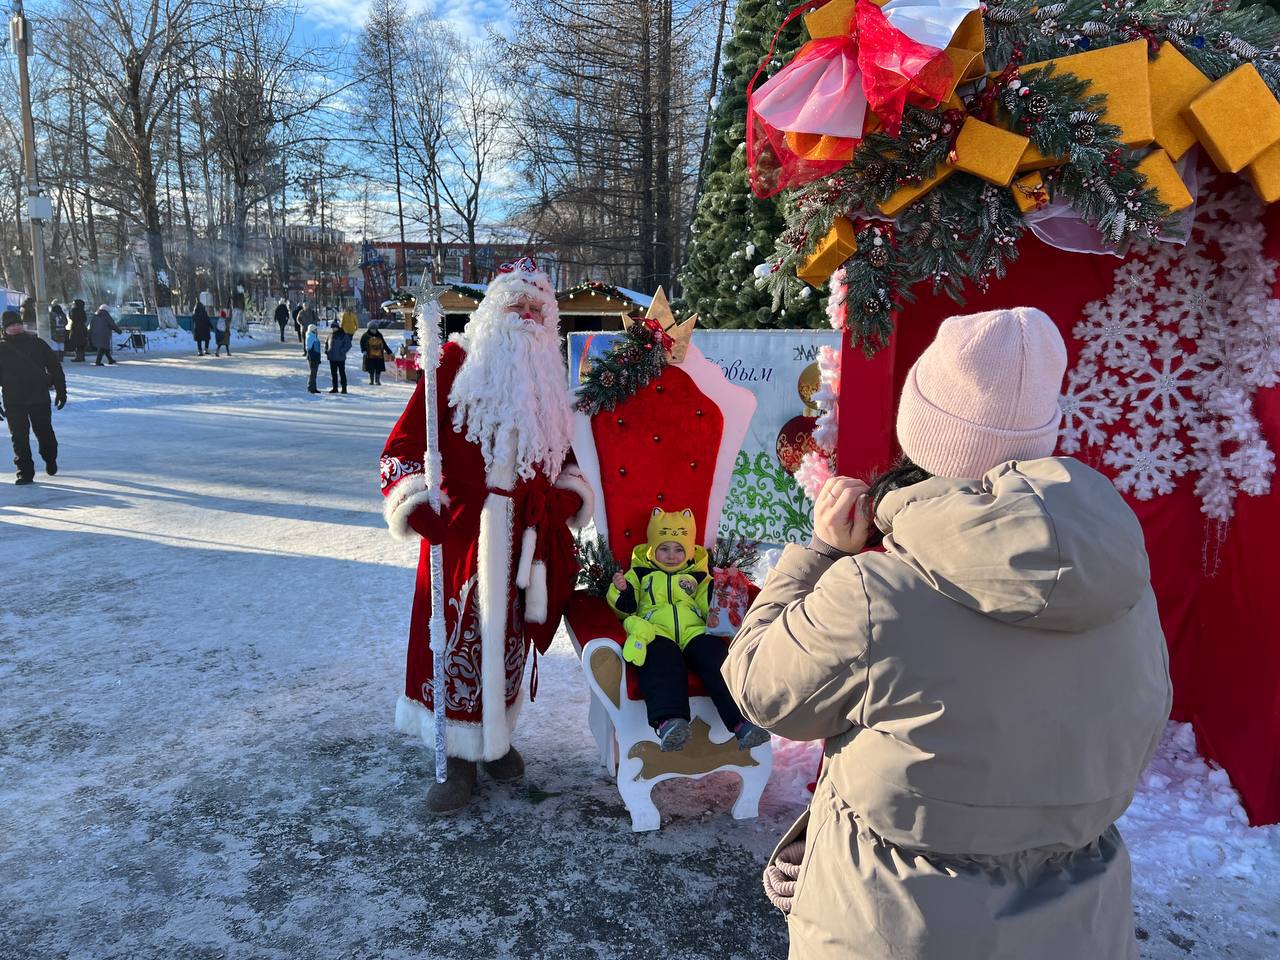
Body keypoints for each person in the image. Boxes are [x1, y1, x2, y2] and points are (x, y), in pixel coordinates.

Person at [724, 308, 1173, 960]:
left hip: (894, 927)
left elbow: (760, 687)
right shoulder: (1126, 591)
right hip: (1080, 930)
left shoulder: (877, 593)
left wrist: (819, 554)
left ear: (921, 437)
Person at [378, 256, 593, 814]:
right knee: (455, 641)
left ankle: (496, 741)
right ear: (493, 311)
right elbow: (401, 450)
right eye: (515, 305)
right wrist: (416, 501)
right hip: (459, 535)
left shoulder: (550, 382)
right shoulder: (453, 364)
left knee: (510, 640)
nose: (525, 316)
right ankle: (456, 758)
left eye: (535, 308)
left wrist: (568, 495)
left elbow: (566, 459)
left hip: (525, 539)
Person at [607, 507, 770, 753]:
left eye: (679, 549)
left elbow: (708, 606)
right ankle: (669, 722)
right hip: (656, 630)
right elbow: (626, 610)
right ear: (652, 548)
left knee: (717, 658)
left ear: (689, 550)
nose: (672, 555)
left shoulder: (698, 576)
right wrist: (622, 590)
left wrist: (721, 593)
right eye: (664, 548)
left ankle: (741, 722)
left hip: (694, 630)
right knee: (661, 661)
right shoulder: (640, 574)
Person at [0, 309, 65, 484]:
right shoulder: (1, 348)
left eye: (17, 324)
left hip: (39, 398)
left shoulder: (37, 343)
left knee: (44, 433)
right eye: (10, 325)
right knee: (19, 438)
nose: (15, 327)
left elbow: (54, 367)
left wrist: (61, 390)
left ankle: (50, 458)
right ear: (4, 329)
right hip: (14, 401)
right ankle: (25, 472)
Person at [324, 320, 352, 394]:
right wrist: (326, 350)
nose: (333, 329)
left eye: (334, 327)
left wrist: (342, 351)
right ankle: (335, 388)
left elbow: (348, 345)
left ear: (338, 327)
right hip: (332, 358)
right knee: (333, 374)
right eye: (332, 327)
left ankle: (344, 388)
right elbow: (326, 343)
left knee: (342, 373)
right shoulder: (330, 335)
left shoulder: (343, 335)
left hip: (340, 358)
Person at [304, 323, 322, 393]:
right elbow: (310, 349)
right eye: (315, 330)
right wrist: (313, 359)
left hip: (315, 357)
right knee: (313, 373)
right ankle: (311, 388)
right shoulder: (310, 337)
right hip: (313, 357)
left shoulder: (313, 336)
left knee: (314, 373)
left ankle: (313, 387)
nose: (316, 331)